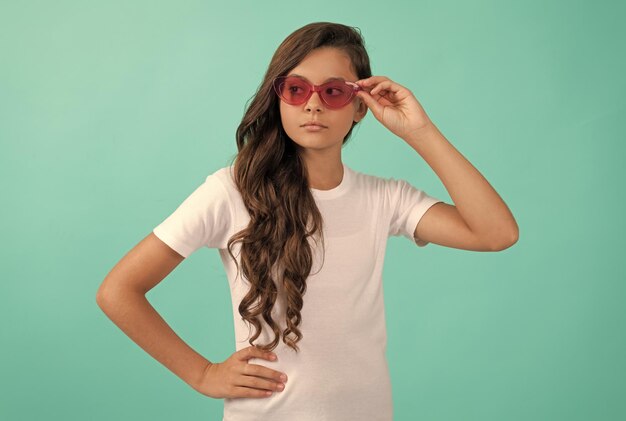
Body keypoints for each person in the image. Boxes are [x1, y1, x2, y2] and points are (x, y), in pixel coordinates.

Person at [96, 22, 518, 421]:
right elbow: (118, 291)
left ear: (359, 106)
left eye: (333, 91)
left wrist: (419, 131)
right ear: (277, 98)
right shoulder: (231, 192)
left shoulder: (384, 198)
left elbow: (496, 233)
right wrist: (203, 373)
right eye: (296, 89)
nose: (313, 103)